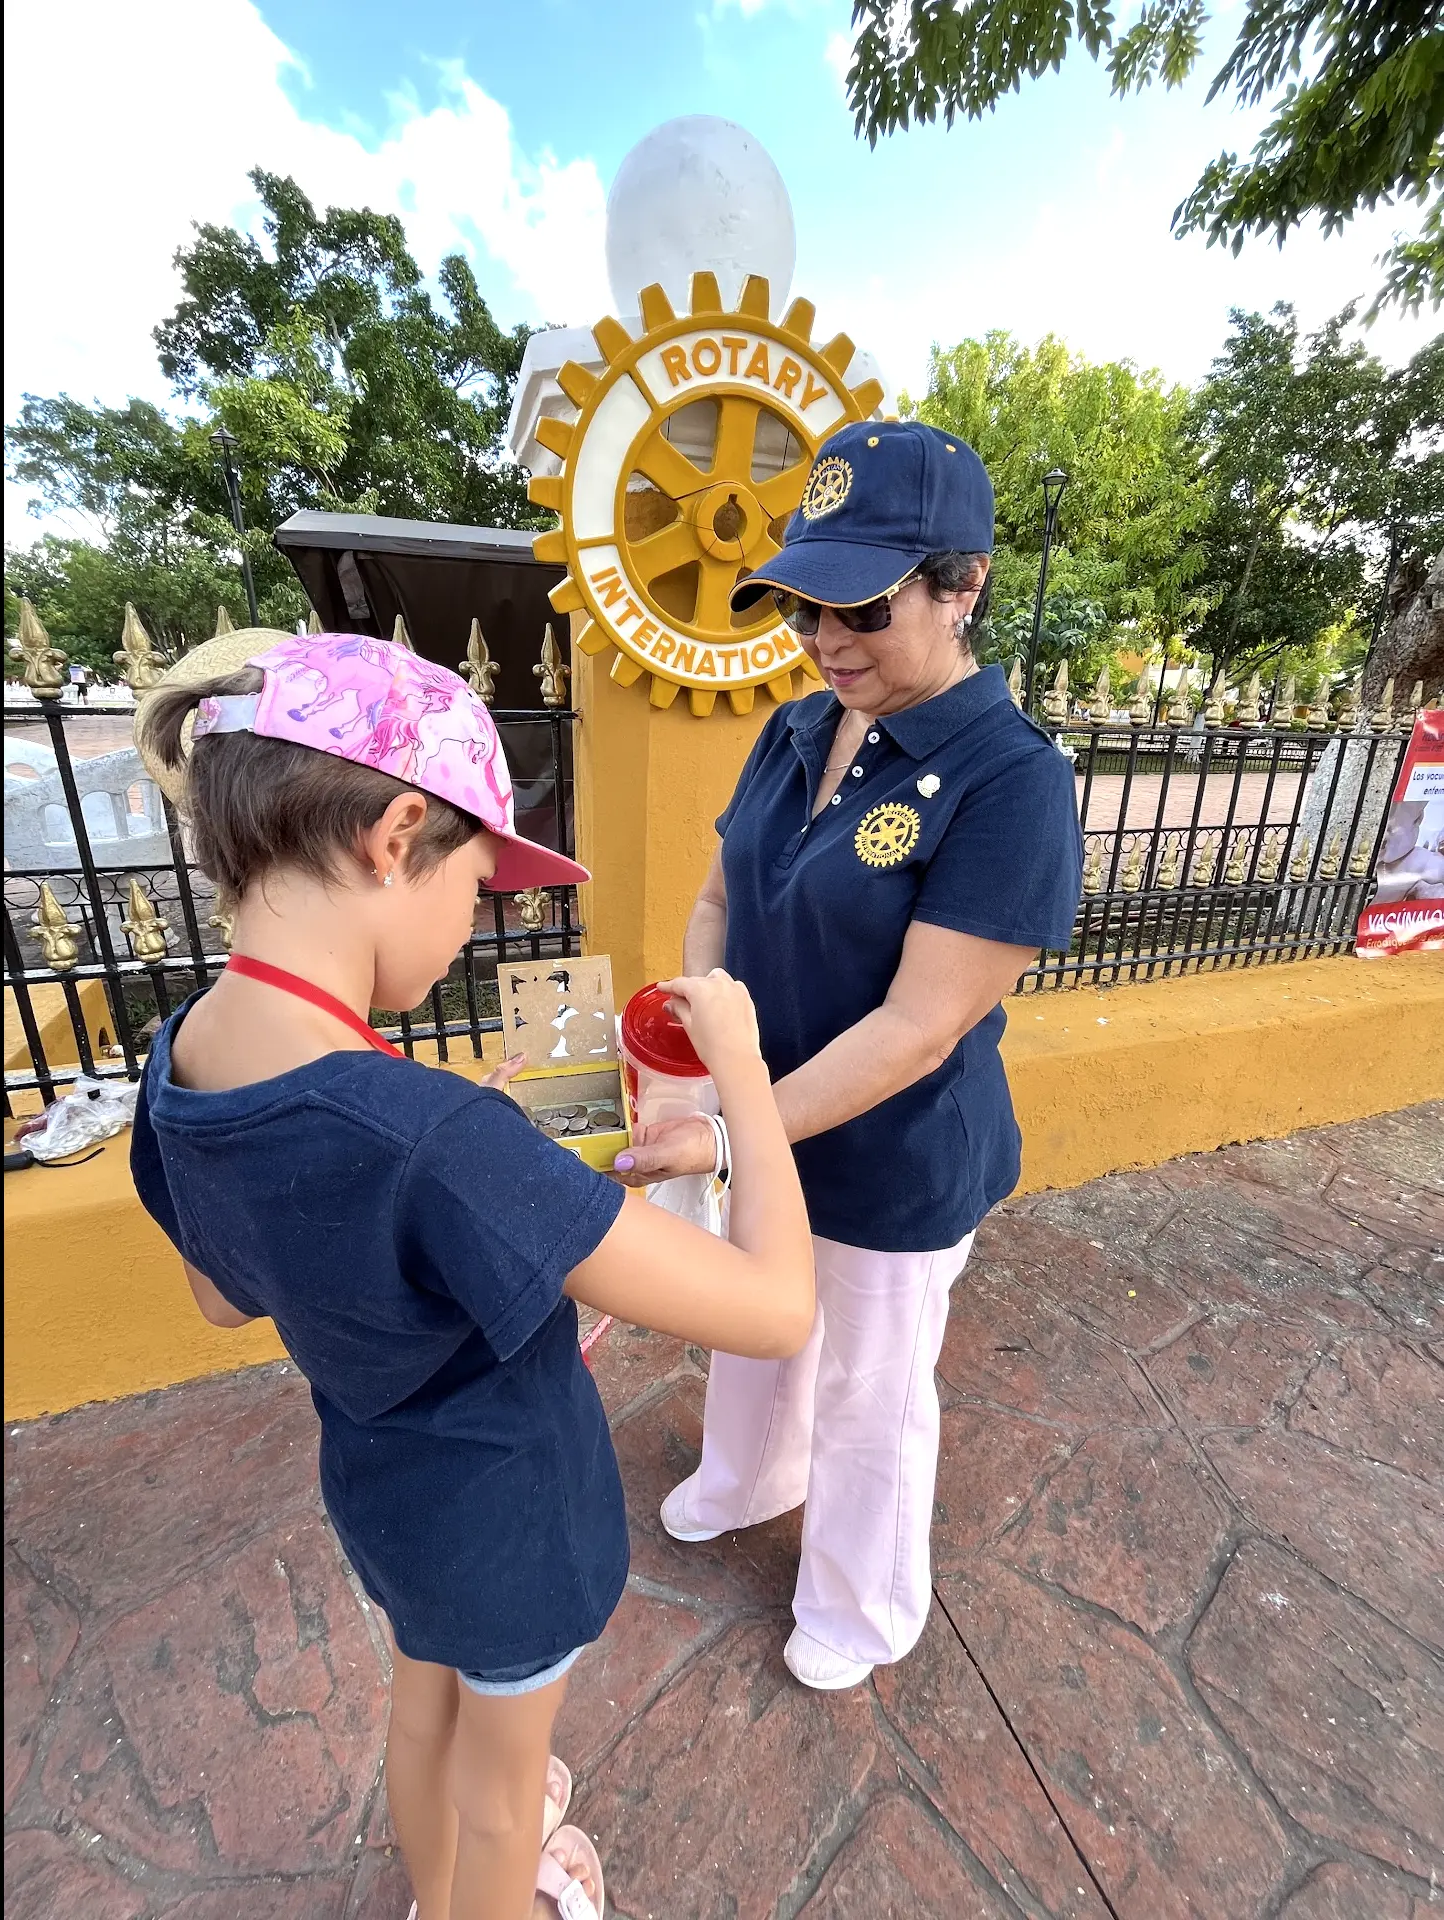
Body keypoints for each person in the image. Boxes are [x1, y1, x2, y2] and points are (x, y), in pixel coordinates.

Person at [129, 632, 815, 1920]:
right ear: (396, 837)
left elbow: (226, 1293)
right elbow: (779, 1309)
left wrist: (466, 1171)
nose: (473, 927)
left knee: (422, 1709)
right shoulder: (439, 1142)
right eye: (480, 884)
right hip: (510, 1516)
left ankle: (431, 1899)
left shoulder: (182, 1060)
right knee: (506, 1799)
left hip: (383, 1492)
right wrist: (741, 1073)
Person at [615, 420, 1085, 1691]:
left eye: (863, 608)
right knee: (755, 1326)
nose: (827, 639)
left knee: (872, 1387)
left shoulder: (1011, 782)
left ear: (964, 585)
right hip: (759, 1120)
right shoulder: (793, 728)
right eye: (803, 605)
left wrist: (729, 1127)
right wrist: (698, 1043)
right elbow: (720, 899)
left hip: (893, 1150)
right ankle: (748, 1476)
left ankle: (865, 1601)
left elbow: (920, 1027)